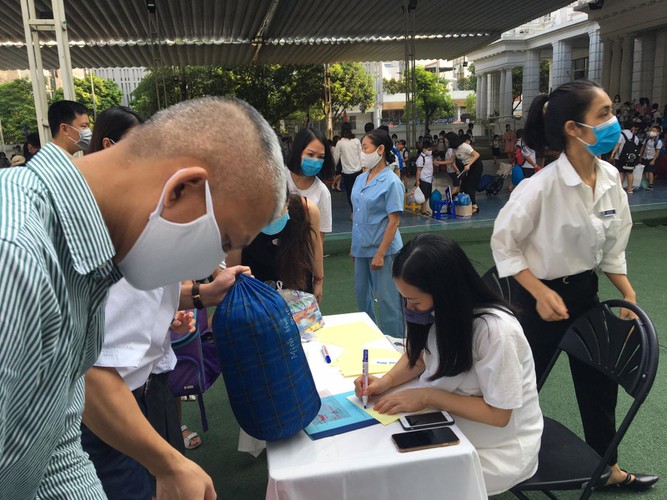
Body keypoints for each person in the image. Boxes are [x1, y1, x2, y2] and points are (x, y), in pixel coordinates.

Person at [0, 96, 287, 499]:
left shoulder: (83, 265)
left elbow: (54, 444)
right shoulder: (15, 258)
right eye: (223, 240)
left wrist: (167, 466)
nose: (214, 260)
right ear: (181, 189)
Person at [491, 80, 658, 491]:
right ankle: (493, 462)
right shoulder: (540, 187)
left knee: (599, 386)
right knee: (518, 383)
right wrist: (540, 291)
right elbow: (504, 245)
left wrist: (627, 291)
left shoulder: (610, 178)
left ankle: (607, 469)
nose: (613, 122)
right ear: (573, 128)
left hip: (585, 294)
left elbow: (612, 244)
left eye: (611, 111)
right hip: (536, 299)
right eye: (603, 114)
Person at [355, 234, 543, 495]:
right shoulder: (439, 312)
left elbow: (499, 415)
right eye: (405, 299)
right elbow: (421, 357)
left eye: (415, 301)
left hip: (498, 448)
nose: (409, 308)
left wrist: (429, 395)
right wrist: (385, 381)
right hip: (450, 421)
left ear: (445, 291)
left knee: (405, 481)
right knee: (380, 454)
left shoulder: (496, 332)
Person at [351, 128, 405, 338]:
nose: (362, 153)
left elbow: (394, 222)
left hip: (384, 250)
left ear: (380, 149)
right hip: (361, 248)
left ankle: (396, 344)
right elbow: (357, 215)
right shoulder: (360, 179)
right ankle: (371, 339)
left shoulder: (392, 182)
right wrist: (354, 247)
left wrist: (381, 254)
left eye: (365, 148)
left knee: (387, 300)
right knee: (362, 297)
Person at [227, 191, 324, 302]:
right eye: (265, 217)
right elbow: (233, 267)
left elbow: (315, 247)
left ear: (287, 202)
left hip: (295, 274)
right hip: (256, 280)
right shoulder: (238, 217)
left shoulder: (307, 210)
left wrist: (318, 280)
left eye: (276, 215)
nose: (271, 221)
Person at [285, 127, 334, 242]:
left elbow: (319, 237)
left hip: (301, 257)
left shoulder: (322, 192)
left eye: (321, 157)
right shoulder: (278, 178)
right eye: (310, 154)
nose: (315, 161)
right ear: (298, 151)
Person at [447, 131, 482, 215]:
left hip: (475, 166)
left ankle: (475, 207)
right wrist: (438, 163)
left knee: (470, 186)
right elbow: (451, 161)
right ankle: (466, 205)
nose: (446, 143)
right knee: (463, 186)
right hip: (467, 167)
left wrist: (469, 165)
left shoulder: (465, 146)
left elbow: (477, 155)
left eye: (447, 141)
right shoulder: (454, 149)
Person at [333, 122, 362, 217]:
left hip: (347, 173)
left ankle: (353, 212)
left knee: (350, 193)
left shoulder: (340, 143)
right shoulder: (357, 141)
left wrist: (333, 169)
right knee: (359, 193)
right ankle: (360, 212)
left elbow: (335, 158)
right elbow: (361, 155)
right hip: (358, 171)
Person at [610, 121, 641, 194]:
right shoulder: (635, 137)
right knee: (630, 173)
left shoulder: (621, 135)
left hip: (620, 157)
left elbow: (618, 145)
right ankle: (630, 189)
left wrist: (612, 153)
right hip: (631, 158)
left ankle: (620, 189)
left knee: (621, 173)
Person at [639, 125, 663, 191]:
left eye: (653, 131)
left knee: (650, 171)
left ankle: (650, 185)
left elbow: (657, 152)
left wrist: (653, 160)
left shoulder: (658, 142)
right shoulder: (647, 139)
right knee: (643, 170)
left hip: (651, 158)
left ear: (658, 133)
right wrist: (640, 155)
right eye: (651, 130)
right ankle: (642, 183)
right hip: (644, 157)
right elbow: (643, 147)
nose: (651, 132)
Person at [415, 140, 434, 216]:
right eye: (429, 149)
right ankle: (423, 210)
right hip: (423, 179)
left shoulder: (430, 157)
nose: (430, 151)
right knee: (424, 196)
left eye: (430, 149)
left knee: (427, 195)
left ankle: (424, 209)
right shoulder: (420, 158)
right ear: (424, 149)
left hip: (429, 179)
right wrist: (417, 181)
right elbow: (418, 171)